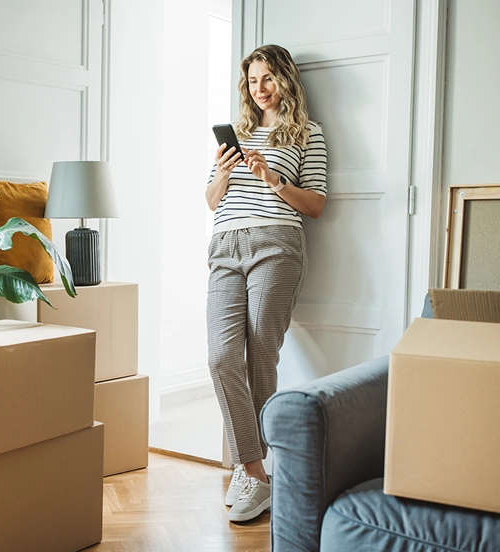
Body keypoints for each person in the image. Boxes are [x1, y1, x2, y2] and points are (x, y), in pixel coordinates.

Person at [205, 44, 327, 523]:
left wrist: (272, 178)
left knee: (260, 355)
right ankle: (254, 471)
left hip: (277, 243)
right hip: (224, 247)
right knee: (220, 356)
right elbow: (212, 200)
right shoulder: (234, 137)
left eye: (269, 79)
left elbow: (315, 204)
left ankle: (255, 474)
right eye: (254, 81)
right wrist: (225, 172)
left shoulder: (307, 134)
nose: (261, 89)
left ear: (285, 80)